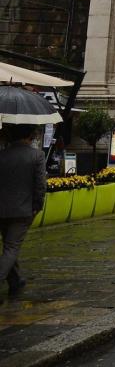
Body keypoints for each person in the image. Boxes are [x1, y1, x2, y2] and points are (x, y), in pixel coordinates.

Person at [0, 125, 47, 298]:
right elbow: (40, 185)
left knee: (8, 244)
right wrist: (37, 206)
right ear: (30, 135)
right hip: (23, 209)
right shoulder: (37, 155)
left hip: (2, 208)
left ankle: (16, 280)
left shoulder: (2, 154)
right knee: (11, 247)